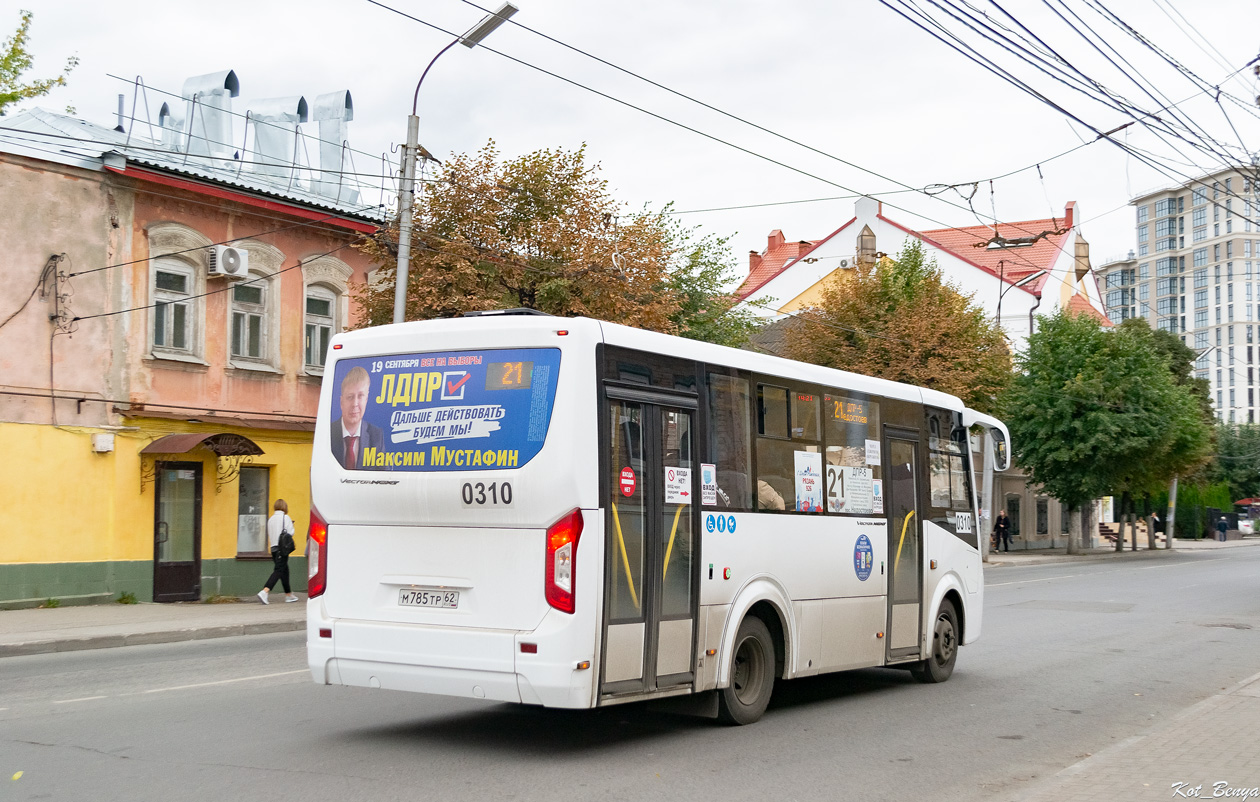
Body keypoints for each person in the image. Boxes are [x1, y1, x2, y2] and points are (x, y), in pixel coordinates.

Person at [331, 366, 385, 469]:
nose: (355, 404)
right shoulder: (328, 433)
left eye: (360, 396)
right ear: (341, 402)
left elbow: (383, 477)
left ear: (366, 399)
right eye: (350, 397)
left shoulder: (376, 437)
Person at [258, 499, 299, 604]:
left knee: (284, 571)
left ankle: (288, 594)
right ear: (285, 507)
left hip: (273, 548)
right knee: (279, 570)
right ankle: (265, 591)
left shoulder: (271, 519)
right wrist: (292, 525)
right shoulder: (286, 518)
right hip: (282, 549)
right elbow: (291, 533)